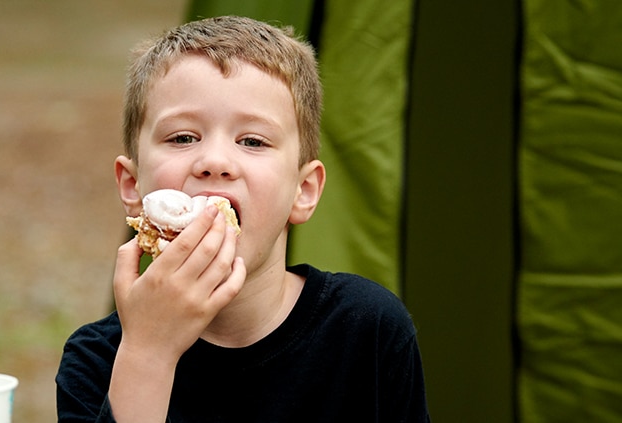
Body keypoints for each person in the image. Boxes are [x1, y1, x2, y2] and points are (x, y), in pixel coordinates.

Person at [56, 15, 430, 423]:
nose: (215, 161)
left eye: (253, 141)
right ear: (132, 186)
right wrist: (148, 354)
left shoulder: (367, 330)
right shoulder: (96, 359)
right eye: (183, 137)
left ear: (303, 192)